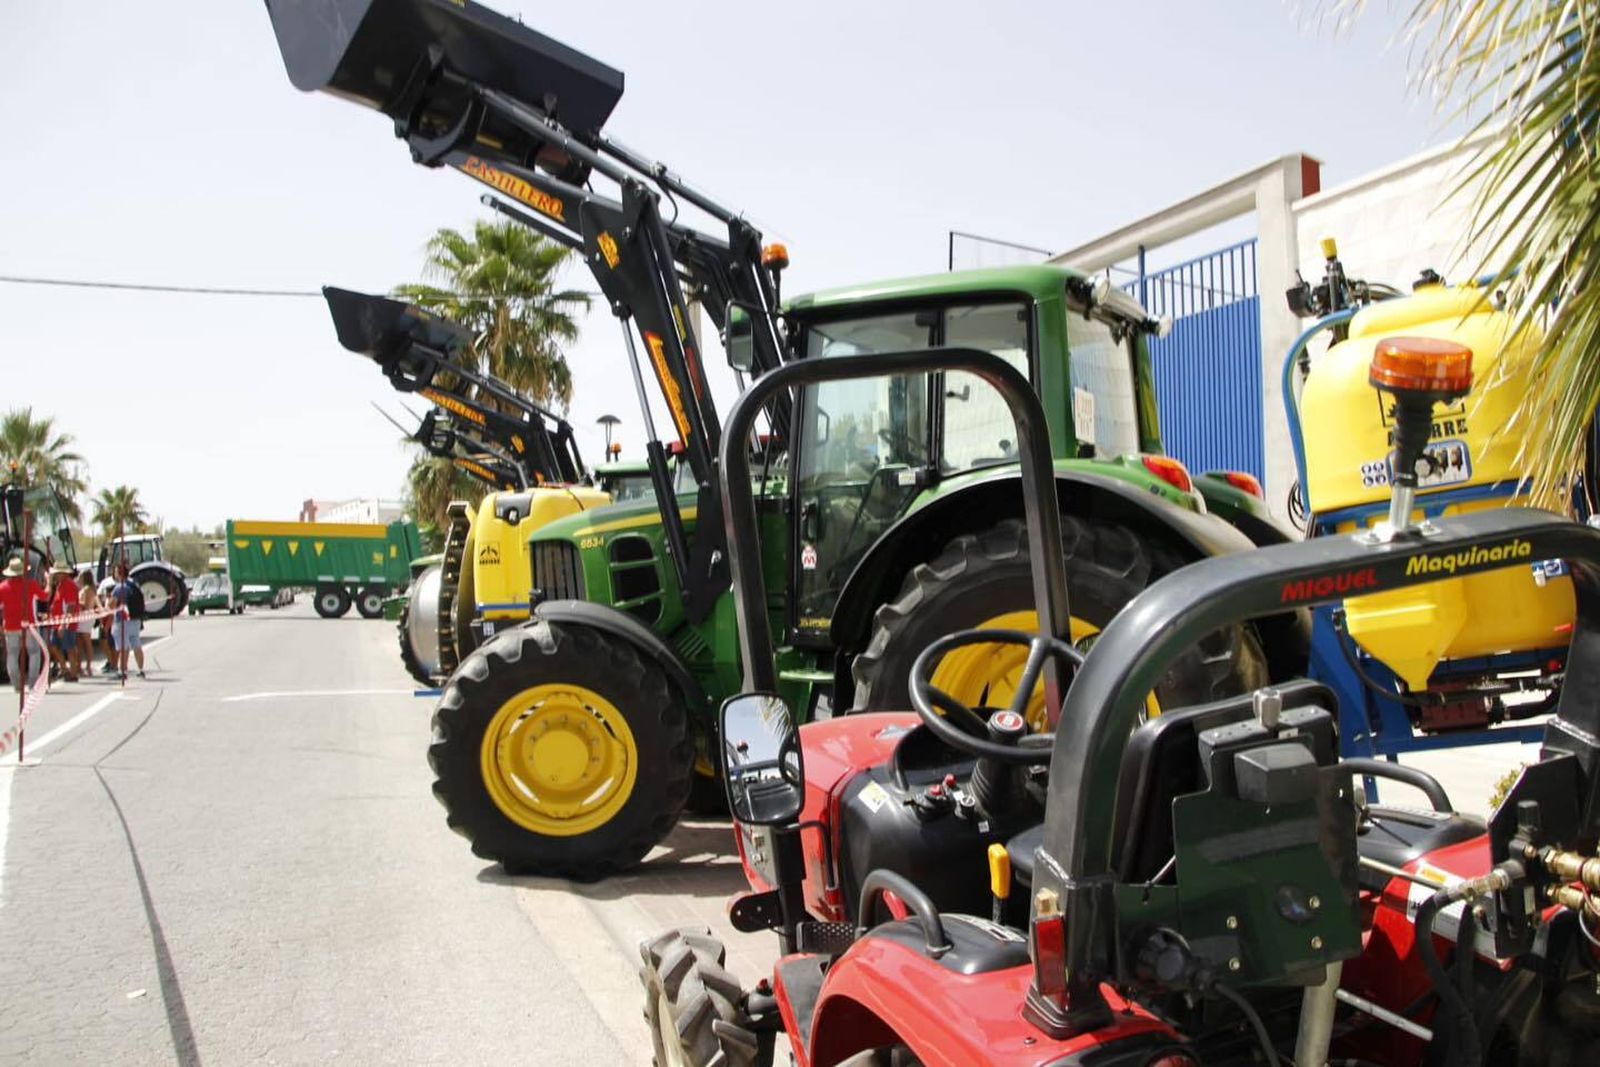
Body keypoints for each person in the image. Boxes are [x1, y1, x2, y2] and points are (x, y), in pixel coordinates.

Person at [0, 558, 47, 693]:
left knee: (12, 654)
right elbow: (44, 596)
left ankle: (16, 684)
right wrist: (49, 583)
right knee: (34, 653)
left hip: (10, 626)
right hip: (28, 624)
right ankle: (32, 683)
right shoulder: (30, 584)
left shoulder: (2, 587)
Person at [107, 562, 146, 681]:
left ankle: (122, 671)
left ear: (118, 573)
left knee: (122, 646)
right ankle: (141, 670)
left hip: (122, 620)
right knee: (136, 644)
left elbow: (111, 605)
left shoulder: (119, 588)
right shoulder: (134, 584)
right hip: (135, 619)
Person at [45, 565, 80, 682]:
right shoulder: (60, 585)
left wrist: (63, 625)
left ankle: (73, 673)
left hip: (66, 623)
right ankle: (65, 669)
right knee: (53, 646)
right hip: (57, 621)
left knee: (69, 648)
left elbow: (70, 606)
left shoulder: (69, 585)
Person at [75, 569, 100, 679]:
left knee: (85, 641)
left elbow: (84, 604)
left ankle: (87, 666)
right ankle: (81, 665)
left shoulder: (86, 589)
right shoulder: (92, 589)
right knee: (82, 642)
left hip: (85, 616)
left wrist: (76, 601)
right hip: (87, 616)